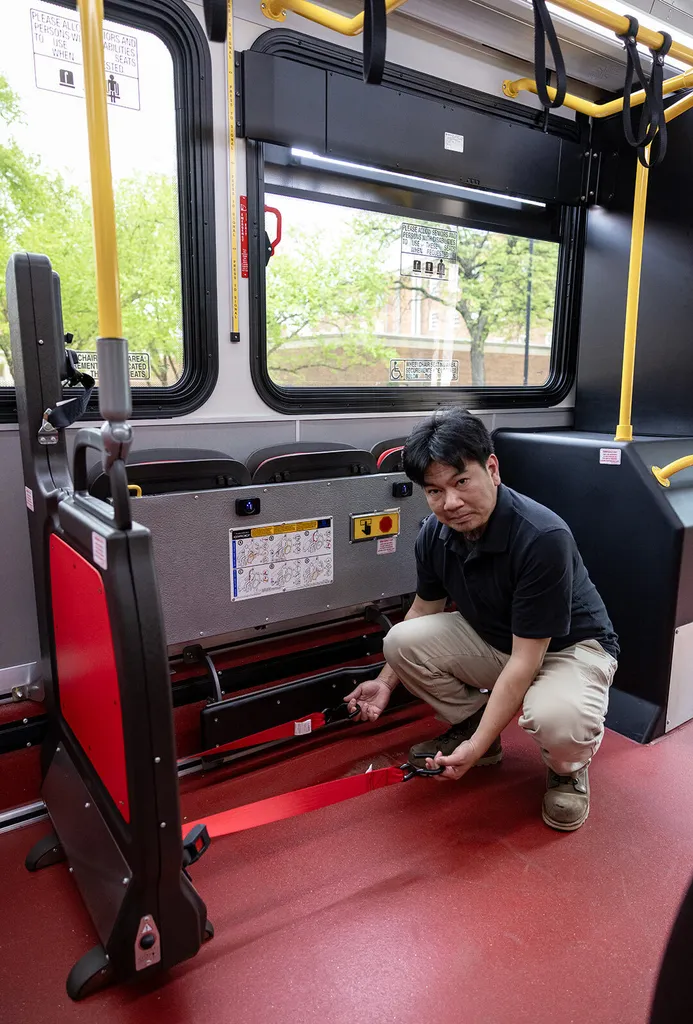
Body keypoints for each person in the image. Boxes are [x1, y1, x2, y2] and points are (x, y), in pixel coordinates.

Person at [345, 408, 619, 831]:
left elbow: (527, 662)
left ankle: (567, 768)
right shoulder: (434, 535)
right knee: (400, 640)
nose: (450, 503)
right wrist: (384, 683)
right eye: (434, 491)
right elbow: (424, 609)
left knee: (555, 717)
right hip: (500, 640)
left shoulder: (542, 538)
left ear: (492, 469)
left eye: (461, 482)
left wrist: (472, 749)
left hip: (570, 649)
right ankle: (474, 727)